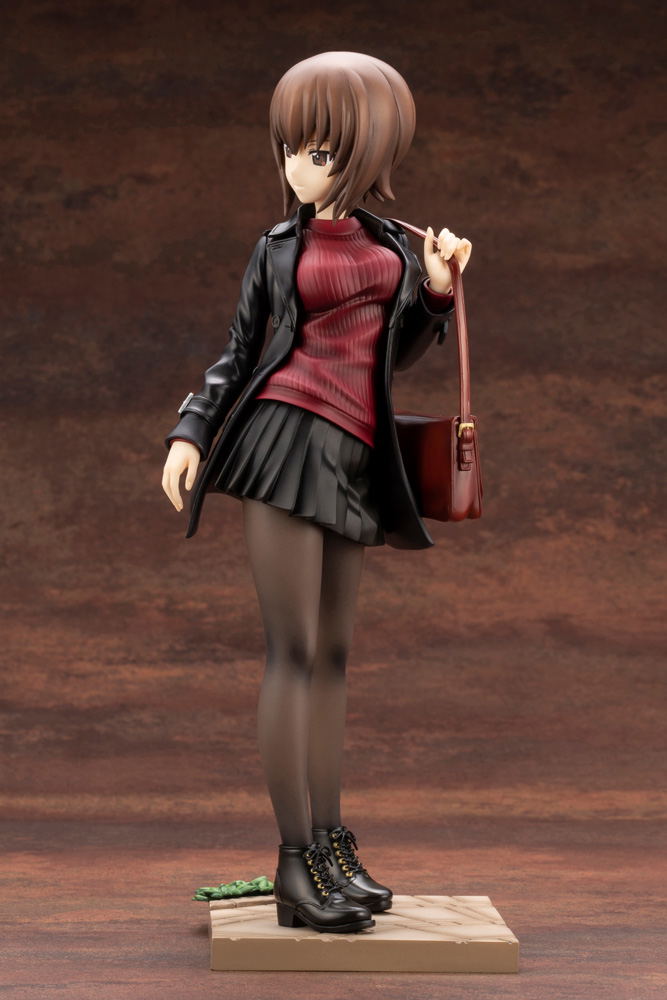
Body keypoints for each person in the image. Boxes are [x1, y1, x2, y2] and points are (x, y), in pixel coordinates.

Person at [162, 51, 472, 935]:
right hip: (281, 444)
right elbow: (238, 351)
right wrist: (190, 430)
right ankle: (294, 862)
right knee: (292, 653)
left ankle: (332, 845)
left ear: (368, 150)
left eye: (322, 151)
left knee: (332, 656)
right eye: (292, 148)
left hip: (354, 458)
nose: (300, 166)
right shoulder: (277, 248)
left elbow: (393, 355)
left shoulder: (390, 246)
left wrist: (436, 291)